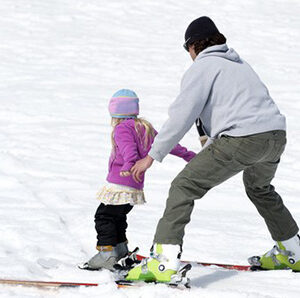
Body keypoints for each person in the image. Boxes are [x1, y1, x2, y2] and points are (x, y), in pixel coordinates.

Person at [126, 16, 300, 282]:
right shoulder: (240, 64)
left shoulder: (203, 67)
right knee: (260, 189)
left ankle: (163, 262)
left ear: (193, 45)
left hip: (243, 139)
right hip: (275, 136)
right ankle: (293, 251)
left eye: (188, 51)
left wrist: (152, 155)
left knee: (183, 186)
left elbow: (182, 115)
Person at [82, 89, 196, 270]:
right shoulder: (144, 127)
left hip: (121, 182)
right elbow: (167, 143)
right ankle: (119, 249)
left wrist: (128, 165)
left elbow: (129, 150)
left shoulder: (122, 129)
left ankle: (106, 254)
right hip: (134, 186)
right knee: (117, 217)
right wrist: (188, 155)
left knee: (103, 216)